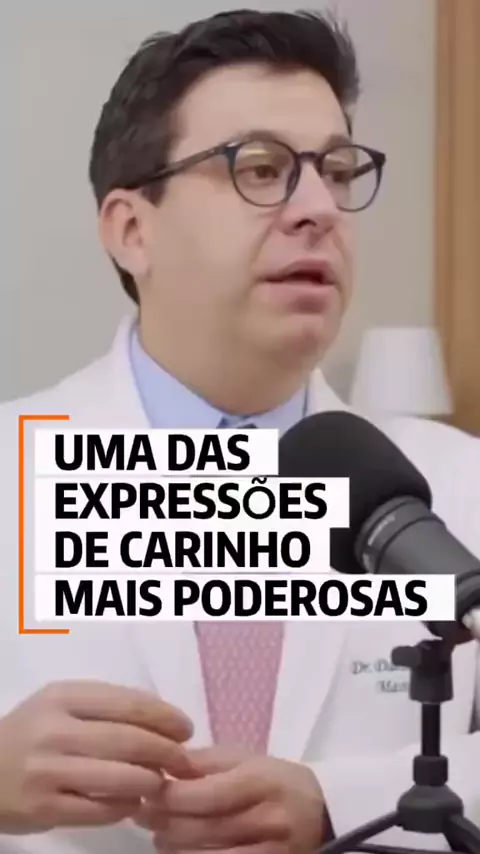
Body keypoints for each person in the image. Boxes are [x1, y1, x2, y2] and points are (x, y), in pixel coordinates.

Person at [0, 8, 479, 854]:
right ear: (132, 230)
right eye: (260, 168)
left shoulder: (458, 483)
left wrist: (339, 803)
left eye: (338, 171)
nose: (319, 208)